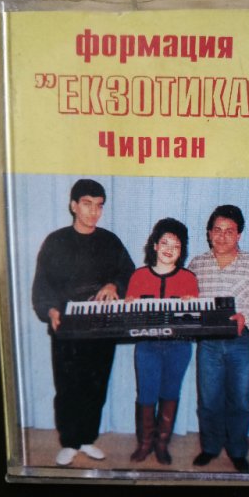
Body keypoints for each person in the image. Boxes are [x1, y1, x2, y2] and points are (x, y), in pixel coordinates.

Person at [32, 179, 135, 466]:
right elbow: (42, 284)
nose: (94, 212)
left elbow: (129, 273)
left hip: (102, 324)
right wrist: (50, 310)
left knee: (96, 385)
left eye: (99, 206)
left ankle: (87, 439)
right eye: (87, 204)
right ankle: (69, 442)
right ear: (74, 205)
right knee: (67, 387)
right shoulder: (55, 241)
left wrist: (114, 285)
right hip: (66, 325)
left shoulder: (110, 241)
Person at [188, 205, 249, 472]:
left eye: (229, 231)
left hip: (241, 342)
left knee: (241, 400)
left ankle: (237, 450)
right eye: (217, 230)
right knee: (208, 400)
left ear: (239, 235)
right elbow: (189, 304)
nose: (222, 236)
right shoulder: (196, 265)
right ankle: (210, 447)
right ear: (209, 233)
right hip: (208, 343)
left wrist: (245, 317)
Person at [126, 218, 199, 465]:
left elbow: (196, 321)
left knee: (170, 392)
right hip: (147, 346)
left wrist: (193, 306)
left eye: (176, 245)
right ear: (155, 245)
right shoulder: (138, 275)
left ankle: (161, 444)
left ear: (182, 251)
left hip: (179, 346)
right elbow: (129, 321)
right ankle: (145, 443)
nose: (170, 249)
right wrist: (130, 306)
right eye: (165, 242)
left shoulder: (189, 278)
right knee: (146, 394)